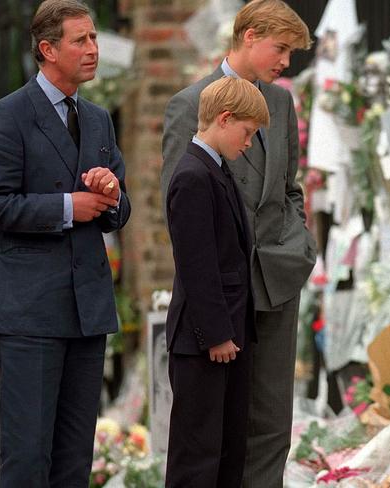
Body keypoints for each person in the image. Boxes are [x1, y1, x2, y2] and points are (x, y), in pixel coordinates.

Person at [0, 0, 131, 486]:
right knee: (27, 458)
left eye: (95, 38)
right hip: (28, 314)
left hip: (88, 311)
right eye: (80, 40)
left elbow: (118, 211)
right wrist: (67, 208)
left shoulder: (99, 119)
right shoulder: (6, 116)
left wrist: (111, 193)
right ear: (47, 49)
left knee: (75, 460)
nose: (93, 49)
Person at [161, 1, 316, 485]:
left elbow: (290, 187)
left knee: (272, 421)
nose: (286, 62)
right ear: (249, 36)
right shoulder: (191, 104)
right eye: (281, 48)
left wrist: (300, 244)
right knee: (216, 429)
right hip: (226, 292)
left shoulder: (282, 102)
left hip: (278, 278)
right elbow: (181, 211)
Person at [164, 76, 268, 488]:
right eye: (247, 133)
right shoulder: (193, 175)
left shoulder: (215, 169)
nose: (248, 144)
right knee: (198, 456)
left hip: (226, 336)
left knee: (227, 450)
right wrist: (217, 334)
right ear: (224, 119)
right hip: (204, 340)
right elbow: (197, 265)